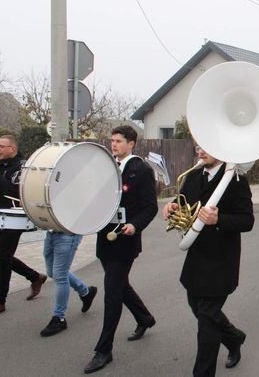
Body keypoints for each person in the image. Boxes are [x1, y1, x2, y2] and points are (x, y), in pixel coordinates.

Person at [163, 143, 253, 377]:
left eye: (206, 147)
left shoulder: (236, 180)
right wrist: (172, 208)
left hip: (221, 261)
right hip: (196, 257)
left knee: (206, 322)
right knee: (198, 308)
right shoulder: (193, 175)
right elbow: (182, 202)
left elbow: (247, 221)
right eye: (197, 147)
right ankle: (234, 338)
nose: (200, 152)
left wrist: (218, 219)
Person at [84, 126, 158, 374]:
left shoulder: (142, 170)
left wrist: (134, 226)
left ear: (132, 143)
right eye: (112, 140)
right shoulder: (109, 166)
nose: (113, 144)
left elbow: (150, 207)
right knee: (120, 286)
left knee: (112, 292)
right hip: (105, 237)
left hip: (125, 240)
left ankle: (104, 350)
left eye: (118, 141)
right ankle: (144, 318)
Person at [0, 134, 47, 317]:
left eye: (1, 146)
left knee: (3, 256)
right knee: (2, 256)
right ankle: (34, 277)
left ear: (12, 149)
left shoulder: (23, 167)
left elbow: (16, 191)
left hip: (14, 218)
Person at [39, 230, 98, 336]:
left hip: (68, 235)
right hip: (52, 232)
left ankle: (59, 318)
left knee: (60, 276)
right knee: (52, 272)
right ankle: (86, 292)